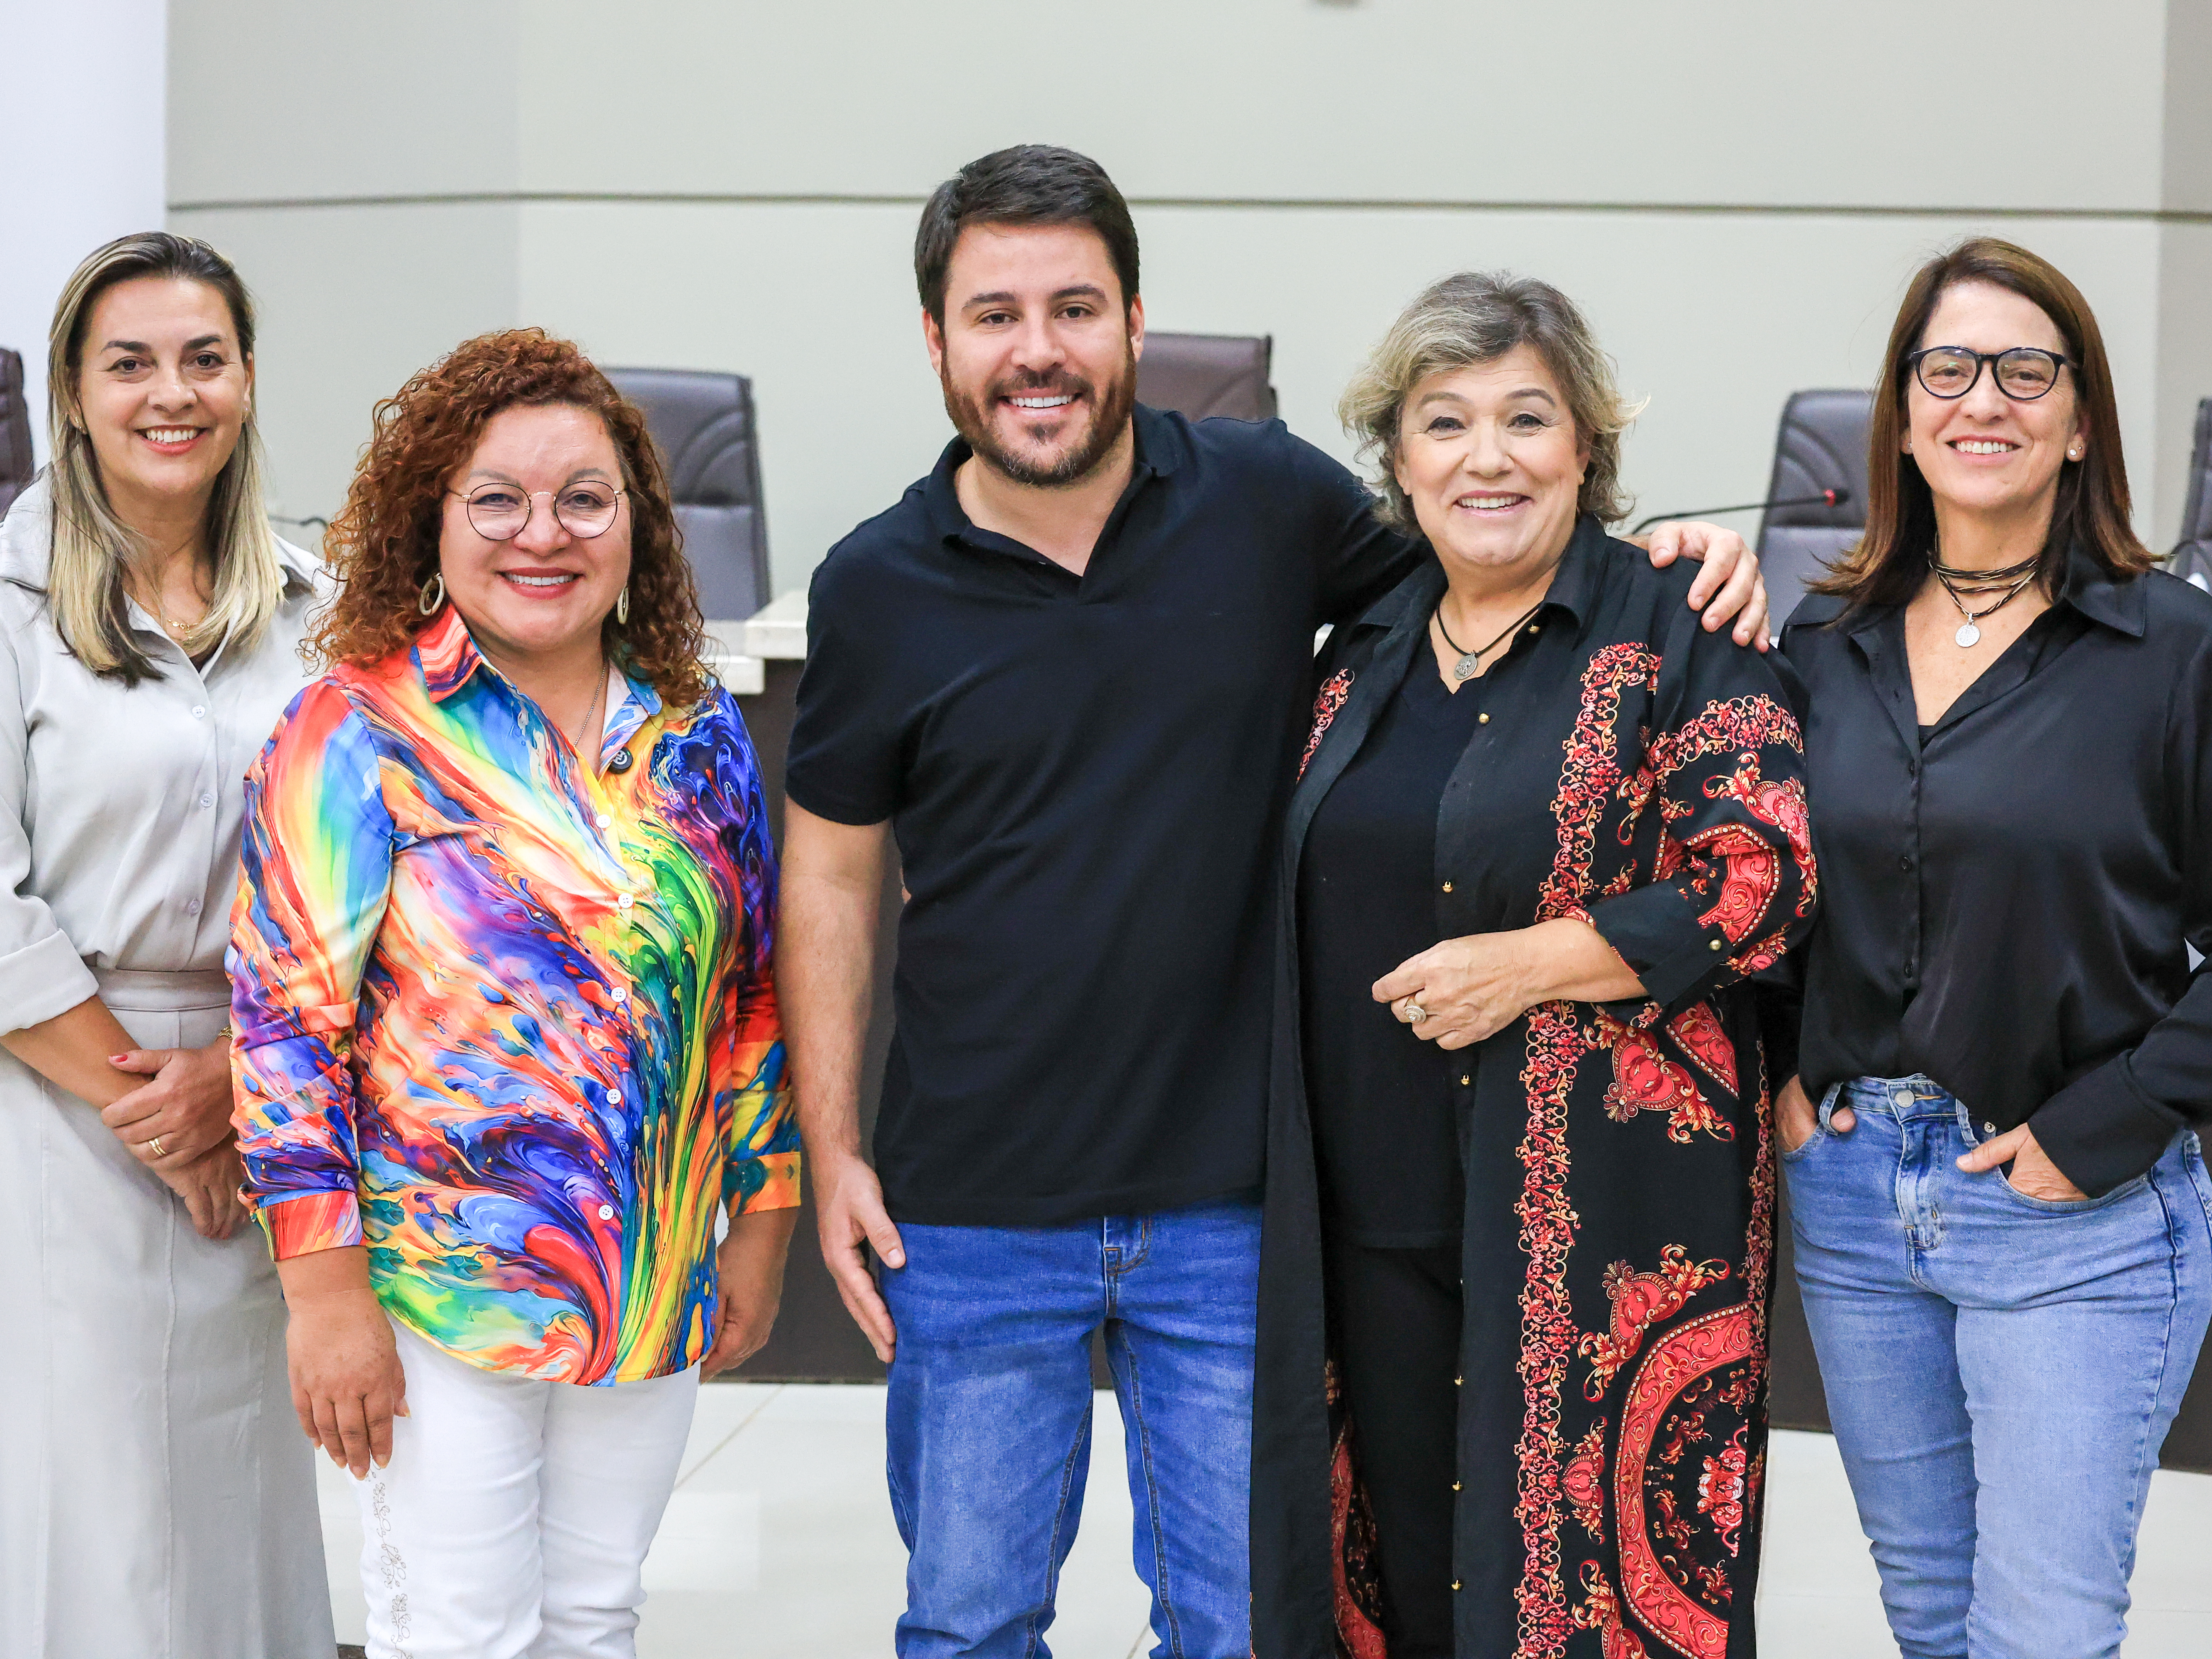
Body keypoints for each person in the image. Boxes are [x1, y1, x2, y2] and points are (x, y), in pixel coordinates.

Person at [775, 144, 1772, 1659]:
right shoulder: (875, 585)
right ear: (936, 339)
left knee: (1241, 1633)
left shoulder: (1266, 500)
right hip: (973, 1209)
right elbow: (833, 875)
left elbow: (1489, 565)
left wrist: (1675, 561)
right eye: (994, 315)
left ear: (1134, 320)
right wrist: (834, 1145)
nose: (1039, 350)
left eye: (1074, 308)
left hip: (1233, 1208)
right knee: (969, 1625)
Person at [1248, 272, 1816, 1659]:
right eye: (1445, 423)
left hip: (1607, 1233)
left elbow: (1765, 878)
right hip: (1371, 1217)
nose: (1485, 457)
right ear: (1399, 460)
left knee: (1589, 1602)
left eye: (1526, 418)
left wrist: (1539, 962)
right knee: (1399, 1583)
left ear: (1586, 449)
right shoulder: (1358, 649)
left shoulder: (1678, 623)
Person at [227, 328, 798, 1658]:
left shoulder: (695, 729)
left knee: (595, 1620)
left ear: (636, 527)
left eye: (584, 500)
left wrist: (762, 1220)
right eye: (497, 500)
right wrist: (325, 1299)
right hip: (432, 1292)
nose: (543, 534)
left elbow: (748, 999)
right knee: (464, 1634)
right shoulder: (353, 728)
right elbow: (285, 1030)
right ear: (433, 519)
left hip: (648, 1270)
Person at [1773, 238, 2212, 1658]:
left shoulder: (2175, 651)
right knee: (1929, 1617)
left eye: (2028, 371)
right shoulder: (1823, 638)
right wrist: (1787, 1067)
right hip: (1853, 1203)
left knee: (2038, 1635)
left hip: (2074, 1211)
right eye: (1948, 368)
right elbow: (1767, 887)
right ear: (1902, 418)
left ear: (2081, 423)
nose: (1984, 399)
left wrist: (2109, 1125)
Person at [0, 232, 333, 1659]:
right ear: (73, 397)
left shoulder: (317, 610)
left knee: (243, 1502)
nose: (171, 394)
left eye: (205, 359)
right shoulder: (10, 607)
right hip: (58, 1113)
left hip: (271, 1104)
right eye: (128, 363)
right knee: (99, 1522)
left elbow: (361, 880)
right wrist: (164, 1112)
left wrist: (239, 1091)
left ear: (248, 380)